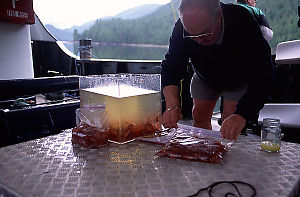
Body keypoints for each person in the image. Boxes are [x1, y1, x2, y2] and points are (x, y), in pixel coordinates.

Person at [160, 0, 274, 141]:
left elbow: (264, 74)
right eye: (192, 35)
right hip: (205, 75)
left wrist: (242, 115)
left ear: (219, 15)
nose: (199, 41)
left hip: (238, 77)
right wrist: (172, 106)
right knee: (199, 119)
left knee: (230, 125)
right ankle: (203, 154)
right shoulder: (181, 29)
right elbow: (171, 67)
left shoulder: (241, 19)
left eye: (206, 33)